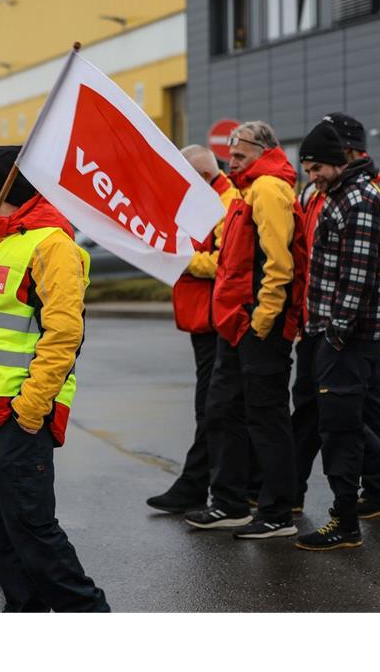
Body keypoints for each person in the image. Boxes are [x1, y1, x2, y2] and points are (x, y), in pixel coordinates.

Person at [0, 145, 109, 611]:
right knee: (2, 536)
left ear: (3, 187)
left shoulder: (52, 245)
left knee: (34, 532)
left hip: (17, 413)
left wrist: (30, 410)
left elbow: (65, 334)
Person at [291, 122, 380, 551]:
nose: (311, 175)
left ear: (336, 161)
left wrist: (334, 332)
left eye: (315, 167)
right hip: (333, 333)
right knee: (342, 423)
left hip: (346, 337)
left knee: (339, 426)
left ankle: (351, 519)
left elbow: (356, 276)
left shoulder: (360, 200)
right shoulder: (338, 194)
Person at [185, 121, 304, 538]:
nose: (229, 161)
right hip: (236, 325)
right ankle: (230, 503)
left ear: (261, 151)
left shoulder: (269, 189)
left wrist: (262, 319)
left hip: (255, 325)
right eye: (230, 154)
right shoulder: (247, 189)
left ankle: (276, 513)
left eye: (238, 155)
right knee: (224, 411)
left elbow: (279, 262)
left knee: (265, 418)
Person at [146, 145, 238, 513]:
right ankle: (211, 484)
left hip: (217, 319)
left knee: (213, 407)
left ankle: (200, 486)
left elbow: (227, 263)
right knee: (214, 407)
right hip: (204, 318)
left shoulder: (224, 203)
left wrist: (181, 259)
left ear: (201, 176)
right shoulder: (209, 200)